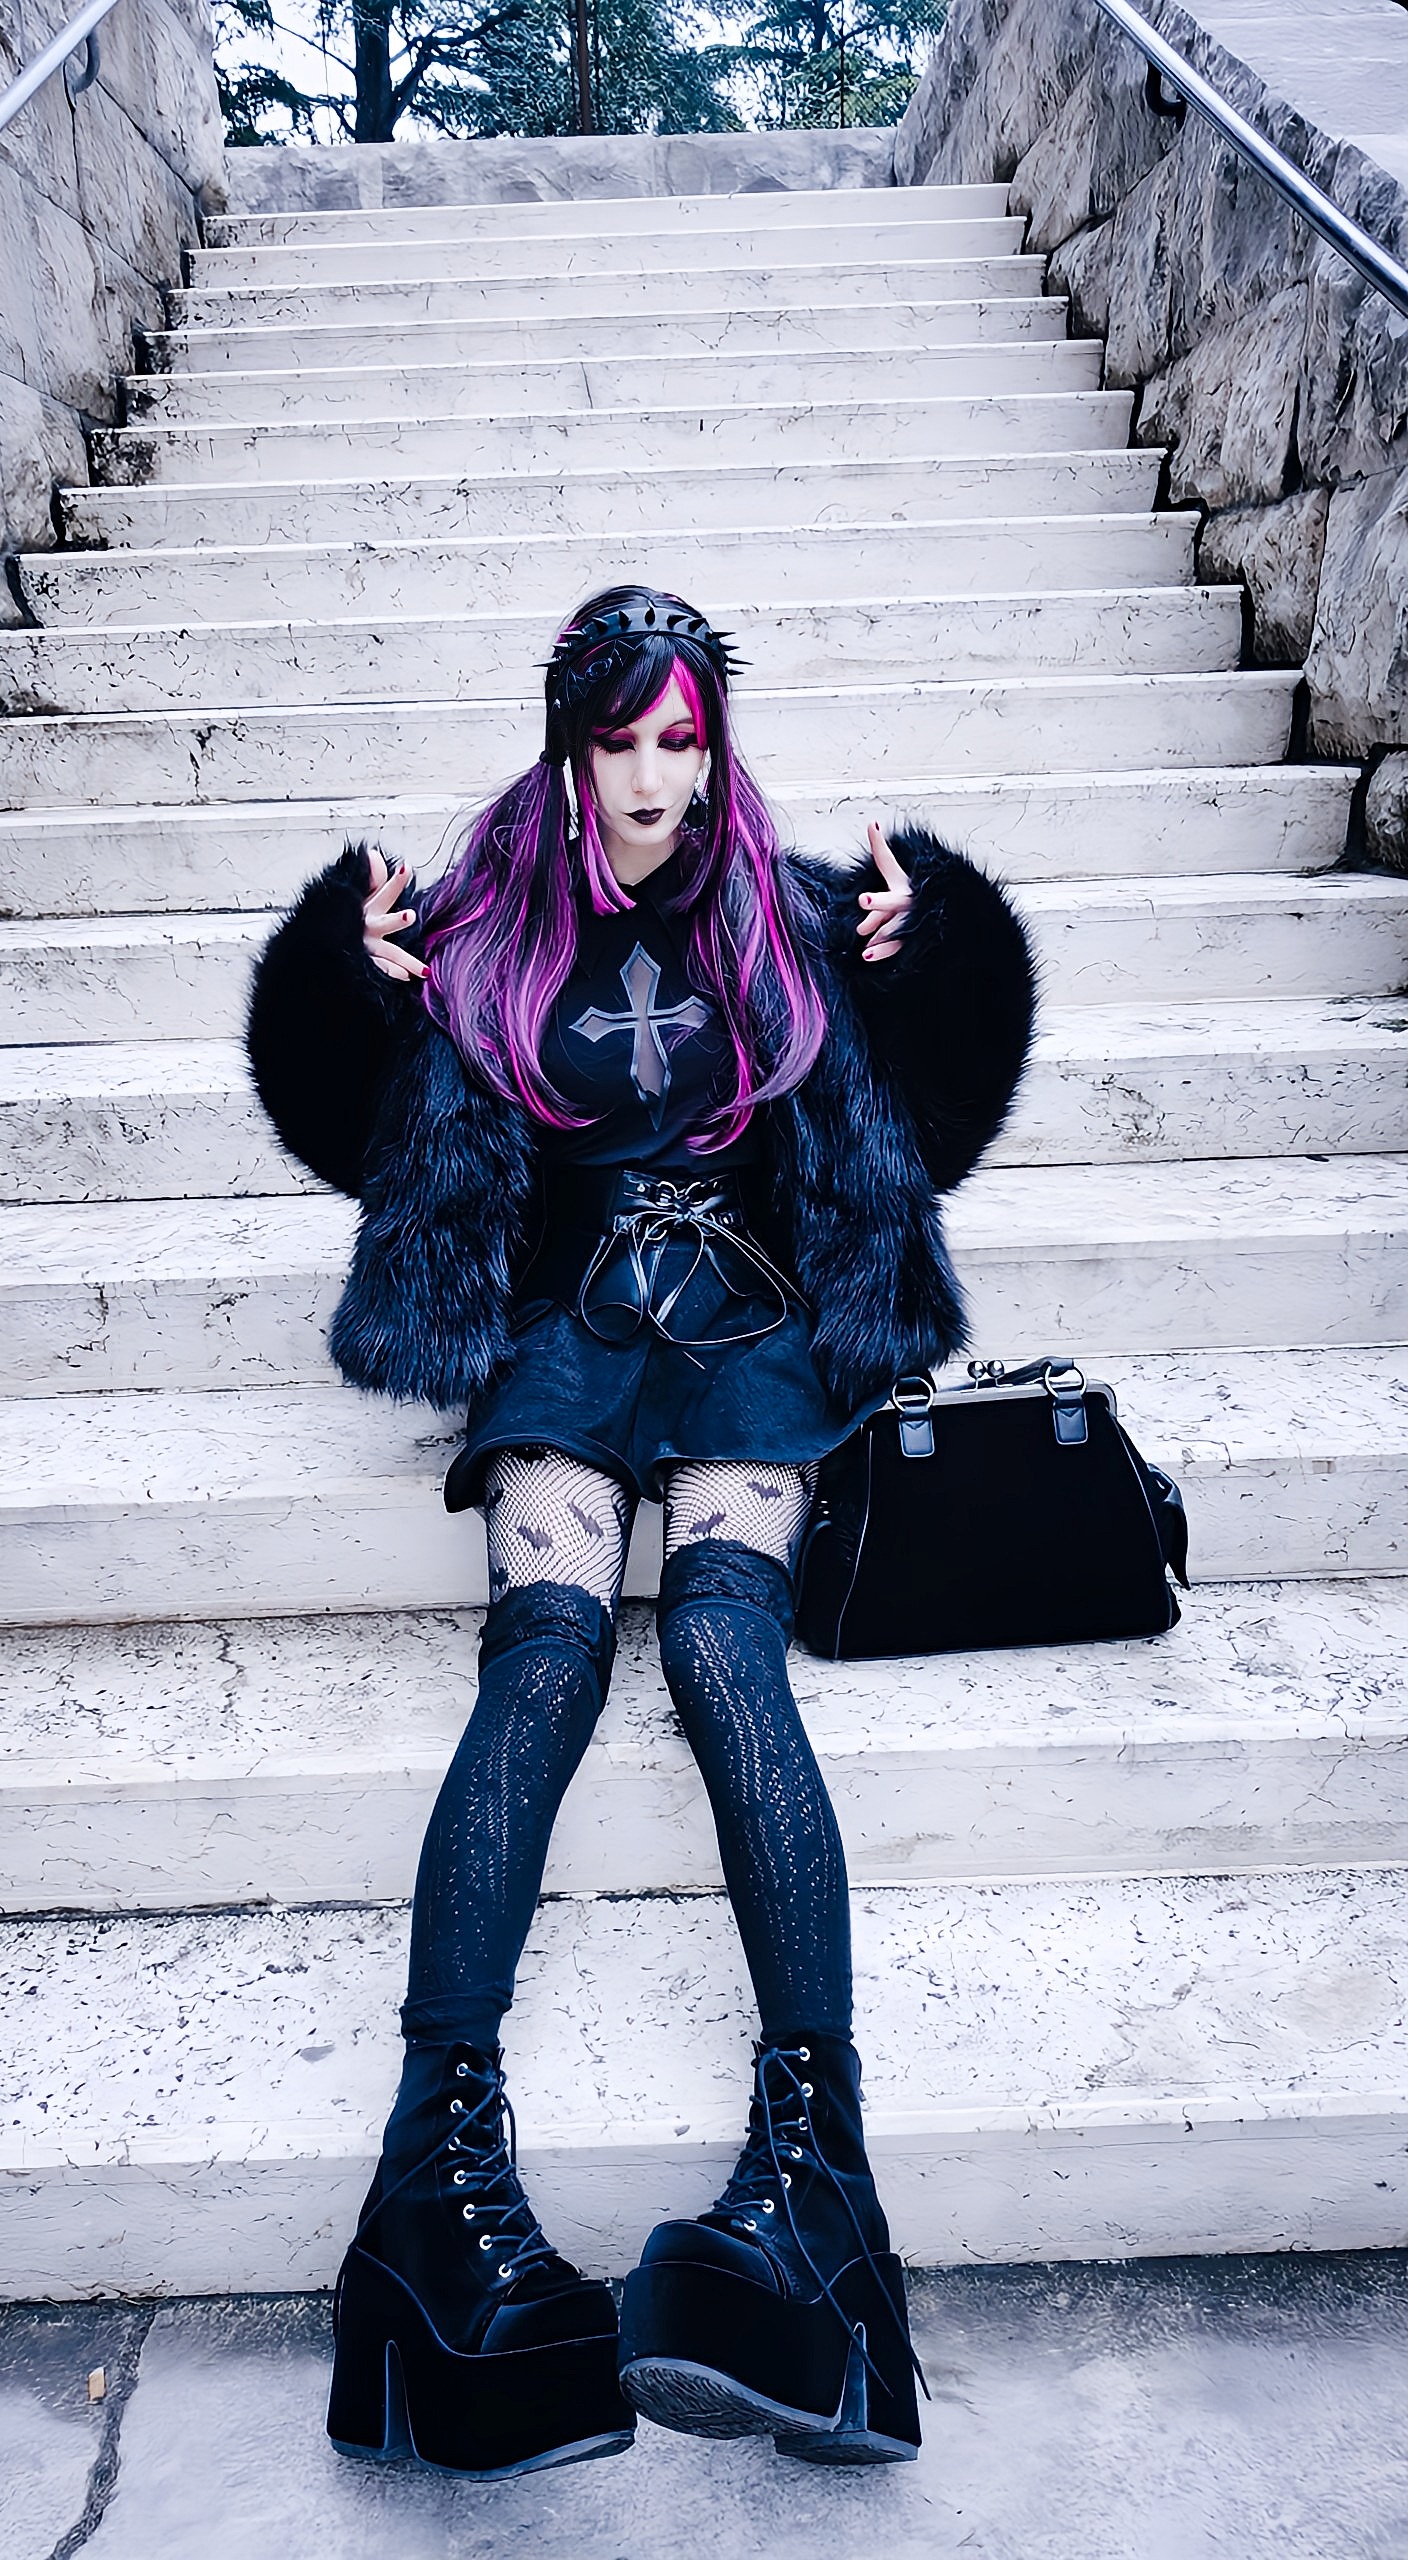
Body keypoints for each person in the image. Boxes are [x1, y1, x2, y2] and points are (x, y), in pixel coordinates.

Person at [247, 584, 1035, 2479]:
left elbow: (929, 1119)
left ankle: (821, 2178)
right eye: (623, 740)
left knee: (720, 1649)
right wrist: (346, 981)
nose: (656, 777)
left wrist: (931, 956)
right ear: (569, 742)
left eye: (684, 738)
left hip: (754, 1334)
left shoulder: (792, 911)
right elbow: (357, 1131)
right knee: (543, 1660)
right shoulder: (484, 924)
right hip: (568, 1334)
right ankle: (429, 2182)